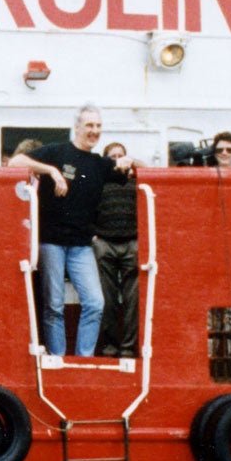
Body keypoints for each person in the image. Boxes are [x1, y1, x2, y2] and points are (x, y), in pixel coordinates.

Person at [11, 105, 134, 358]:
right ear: (77, 127)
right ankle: (57, 360)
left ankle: (83, 358)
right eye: (89, 125)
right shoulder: (57, 151)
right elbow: (16, 161)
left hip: (81, 245)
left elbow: (130, 171)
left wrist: (127, 161)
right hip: (51, 242)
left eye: (98, 126)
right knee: (54, 305)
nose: (94, 131)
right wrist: (53, 171)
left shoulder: (100, 164)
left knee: (95, 303)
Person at [92, 140, 139, 359]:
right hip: (105, 244)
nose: (118, 159)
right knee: (107, 300)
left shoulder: (136, 181)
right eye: (113, 156)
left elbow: (146, 167)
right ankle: (109, 347)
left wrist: (130, 163)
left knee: (132, 300)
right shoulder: (98, 181)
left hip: (131, 243)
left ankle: (128, 348)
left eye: (122, 155)